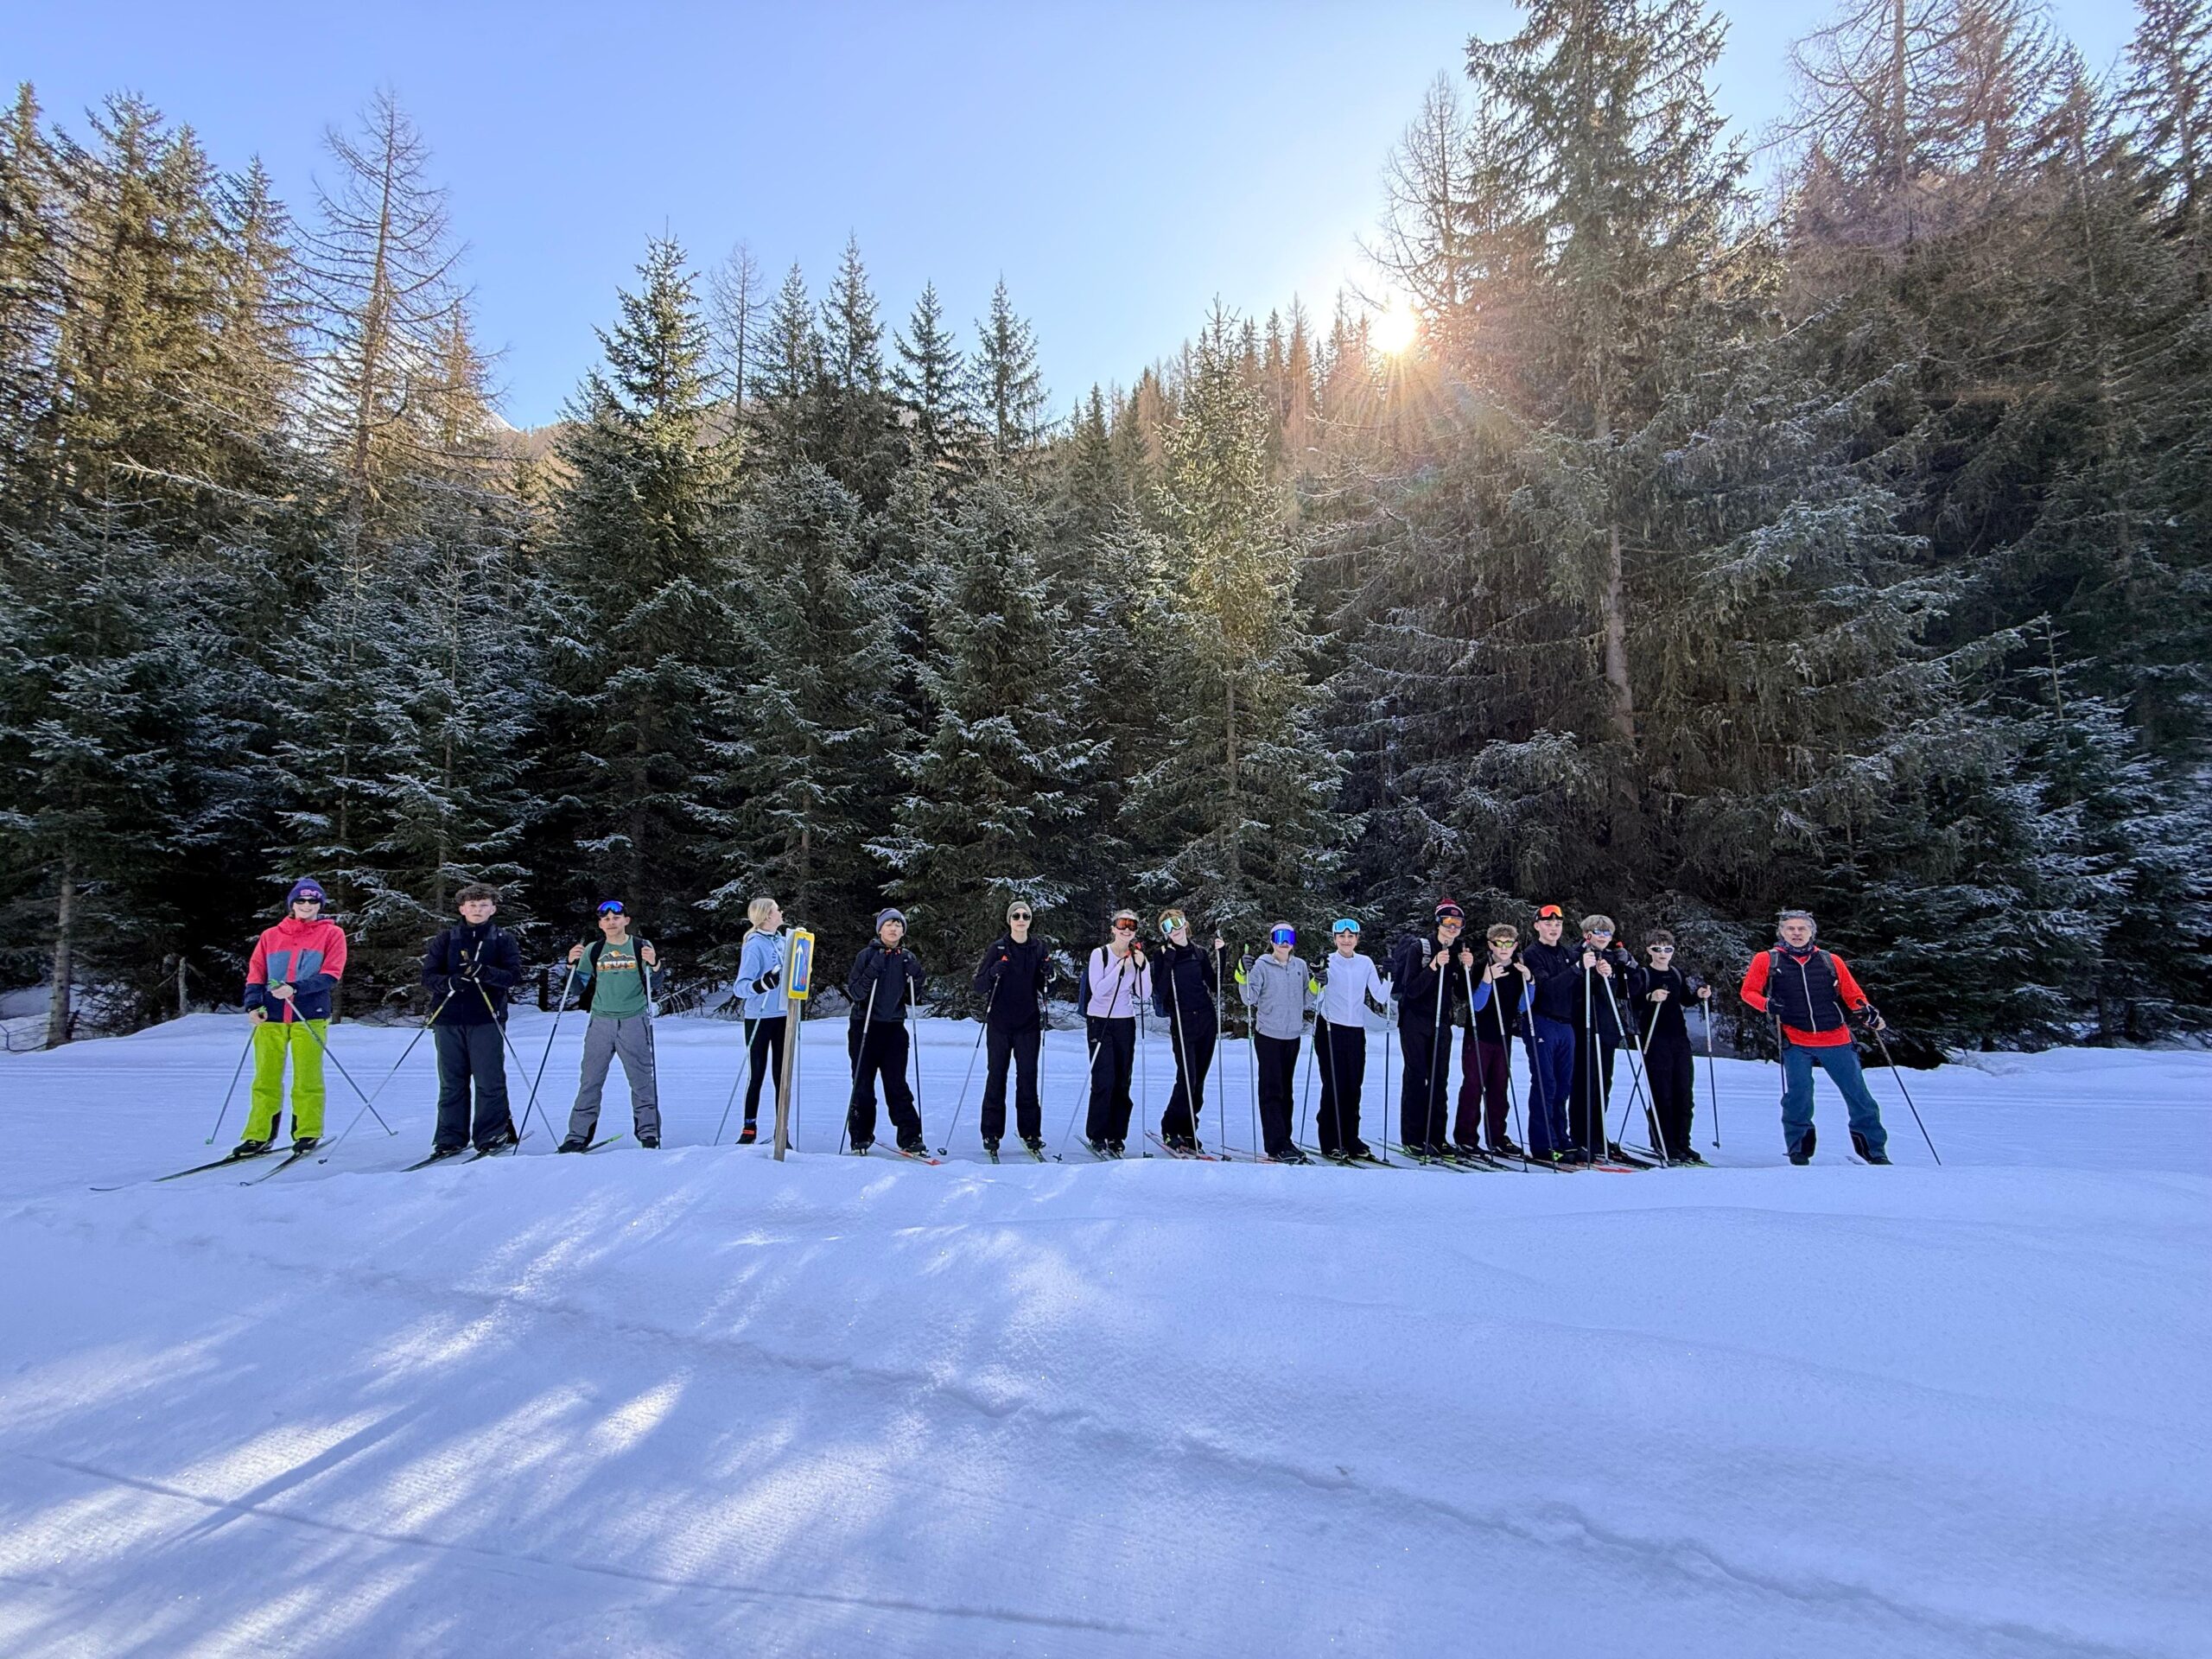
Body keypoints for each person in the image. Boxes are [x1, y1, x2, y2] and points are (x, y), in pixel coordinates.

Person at [1738, 910, 1892, 1165]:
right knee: (1798, 1098)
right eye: (1790, 928)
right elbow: (1748, 992)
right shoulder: (1767, 959)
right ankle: (1799, 1151)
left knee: (1859, 1096)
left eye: (1802, 928)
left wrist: (1866, 1012)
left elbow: (1853, 994)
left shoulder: (1830, 960)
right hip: (1795, 1039)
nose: (1796, 933)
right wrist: (1767, 1005)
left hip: (1836, 1038)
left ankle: (1874, 1151)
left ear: (1812, 932)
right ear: (1781, 932)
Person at [235, 878, 349, 1155]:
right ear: (292, 904)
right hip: (271, 1016)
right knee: (265, 1078)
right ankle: (258, 1135)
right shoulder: (270, 935)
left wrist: (295, 988)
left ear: (320, 905)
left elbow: (331, 974)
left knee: (307, 1077)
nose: (306, 905)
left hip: (309, 1015)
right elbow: (256, 973)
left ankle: (307, 1132)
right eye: (301, 900)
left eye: (313, 901)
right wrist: (253, 1005)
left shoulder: (332, 934)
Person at [420, 882, 522, 1159]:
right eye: (472, 905)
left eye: (483, 905)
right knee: (451, 1081)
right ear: (462, 909)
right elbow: (428, 976)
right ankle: (450, 1138)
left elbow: (513, 976)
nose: (478, 910)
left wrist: (485, 972)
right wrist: (450, 982)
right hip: (448, 1018)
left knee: (489, 1080)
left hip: (486, 1017)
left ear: (493, 909)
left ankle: (492, 1133)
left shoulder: (502, 939)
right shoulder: (446, 938)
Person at [558, 900, 662, 1152]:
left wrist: (655, 964)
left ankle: (649, 1134)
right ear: (600, 924)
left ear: (626, 920)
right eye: (606, 919)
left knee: (641, 1081)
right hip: (601, 1022)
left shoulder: (640, 946)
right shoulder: (594, 949)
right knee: (590, 1081)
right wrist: (570, 965)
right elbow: (577, 987)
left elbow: (656, 984)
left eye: (616, 917)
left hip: (633, 1020)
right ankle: (577, 1136)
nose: (611, 922)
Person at [1385, 900, 1471, 1158]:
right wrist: (1433, 967)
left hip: (1442, 1022)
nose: (1452, 928)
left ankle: (1437, 1138)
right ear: (1438, 923)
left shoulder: (1458, 951)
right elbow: (1411, 991)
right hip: (1415, 1021)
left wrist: (1466, 969)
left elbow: (1462, 994)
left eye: (1457, 923)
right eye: (1447, 922)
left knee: (1439, 1080)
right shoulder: (1420, 948)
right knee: (1416, 1077)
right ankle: (1412, 1137)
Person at [845, 908, 930, 1155]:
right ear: (880, 929)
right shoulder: (866, 955)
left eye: (898, 925)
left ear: (903, 931)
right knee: (863, 1084)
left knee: (897, 1084)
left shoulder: (907, 957)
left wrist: (917, 976)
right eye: (889, 925)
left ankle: (910, 1136)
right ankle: (860, 1135)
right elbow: (857, 992)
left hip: (894, 1028)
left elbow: (913, 998)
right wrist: (874, 967)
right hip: (865, 1026)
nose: (894, 929)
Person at [974, 899, 1051, 1157]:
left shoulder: (1038, 948)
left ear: (1030, 920)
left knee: (1027, 1077)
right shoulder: (997, 948)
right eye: (1016, 916)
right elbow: (979, 985)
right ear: (1009, 920)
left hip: (1028, 1024)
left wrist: (1048, 975)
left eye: (1025, 916)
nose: (1021, 920)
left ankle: (1031, 1132)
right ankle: (991, 1132)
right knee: (996, 1076)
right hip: (1000, 1023)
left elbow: (1045, 988)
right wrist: (993, 972)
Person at [1628, 928, 1712, 1162]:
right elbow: (1633, 1002)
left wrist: (1700, 995)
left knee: (1684, 1092)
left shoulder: (1675, 973)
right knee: (1661, 1092)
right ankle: (1663, 1143)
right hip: (1654, 1038)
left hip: (1679, 1038)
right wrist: (1650, 997)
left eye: (1667, 949)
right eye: (1657, 949)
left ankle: (1683, 1142)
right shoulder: (1643, 974)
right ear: (1649, 950)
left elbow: (1685, 999)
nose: (1662, 953)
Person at [1237, 922, 1316, 1162]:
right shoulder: (1262, 965)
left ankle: (1286, 1140)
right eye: (1279, 936)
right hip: (1269, 1036)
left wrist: (1316, 984)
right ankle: (1274, 1144)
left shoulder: (1300, 966)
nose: (1284, 942)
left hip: (1292, 1036)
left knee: (1287, 1091)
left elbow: (1307, 999)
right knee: (1272, 1090)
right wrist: (1242, 974)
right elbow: (1249, 998)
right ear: (1271, 940)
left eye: (1289, 937)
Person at [1077, 909, 1151, 1157]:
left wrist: (1142, 967)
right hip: (1100, 1020)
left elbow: (1144, 993)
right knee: (1103, 1079)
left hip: (1125, 1021)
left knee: (1122, 1081)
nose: (1126, 930)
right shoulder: (1100, 954)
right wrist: (1121, 966)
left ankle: (1117, 1135)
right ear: (1113, 929)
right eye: (1122, 924)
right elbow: (1099, 990)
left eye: (1132, 926)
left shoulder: (1137, 957)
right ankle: (1097, 1134)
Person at [1312, 918, 1387, 1160]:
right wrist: (1317, 976)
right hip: (1330, 1028)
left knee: (1353, 1086)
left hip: (1355, 1030)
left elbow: (1380, 996)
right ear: (1335, 939)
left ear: (1357, 939)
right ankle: (1330, 1141)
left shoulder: (1365, 962)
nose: (1346, 940)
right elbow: (1314, 995)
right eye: (1341, 936)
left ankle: (1351, 1138)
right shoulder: (1328, 961)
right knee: (1334, 1084)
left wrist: (1390, 975)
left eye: (1350, 936)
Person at [1153, 910, 1227, 1153]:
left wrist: (1222, 955)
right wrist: (1169, 960)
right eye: (1167, 927)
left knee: (1199, 1080)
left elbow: (1214, 984)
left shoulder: (1199, 953)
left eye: (1176, 923)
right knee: (1187, 1078)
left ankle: (1188, 1128)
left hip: (1205, 1019)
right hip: (1182, 1021)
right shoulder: (1162, 954)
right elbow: (1160, 991)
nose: (1174, 929)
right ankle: (1170, 1127)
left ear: (1185, 924)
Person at [1461, 923, 1533, 1160]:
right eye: (1498, 943)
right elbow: (1476, 1006)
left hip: (1502, 1037)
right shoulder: (1482, 966)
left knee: (1499, 1088)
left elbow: (1523, 1006)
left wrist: (1530, 981)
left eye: (1508, 943)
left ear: (1515, 945)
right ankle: (1466, 1137)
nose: (1504, 948)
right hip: (1479, 1036)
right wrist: (1487, 981)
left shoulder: (1518, 969)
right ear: (1490, 945)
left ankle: (1497, 1137)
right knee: (1474, 1086)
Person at [1520, 904, 1583, 1160]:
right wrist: (1577, 970)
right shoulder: (1533, 954)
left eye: (1557, 924)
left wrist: (1595, 971)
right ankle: (1544, 1143)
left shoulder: (1567, 953)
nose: (1553, 928)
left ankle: (1561, 1137)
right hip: (1541, 1021)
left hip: (1566, 1024)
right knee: (1546, 1083)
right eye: (1548, 923)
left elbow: (1578, 988)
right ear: (1537, 926)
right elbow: (1548, 989)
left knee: (1563, 1084)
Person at [1570, 914, 1635, 1159]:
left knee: (1603, 1084)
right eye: (1597, 932)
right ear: (1587, 934)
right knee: (1583, 1083)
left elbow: (1629, 990)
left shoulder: (1613, 957)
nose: (1603, 937)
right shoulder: (1577, 954)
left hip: (1606, 1028)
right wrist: (1592, 972)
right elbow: (1573, 987)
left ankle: (1598, 1135)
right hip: (1583, 1026)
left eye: (1607, 933)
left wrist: (1628, 964)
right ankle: (1580, 1135)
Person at [731, 896, 787, 1145]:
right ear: (766, 916)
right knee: (757, 1073)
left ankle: (782, 1131)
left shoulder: (784, 941)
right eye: (777, 910)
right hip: (760, 1017)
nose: (781, 912)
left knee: (782, 1076)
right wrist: (761, 984)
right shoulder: (754, 945)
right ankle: (749, 1129)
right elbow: (740, 987)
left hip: (784, 1015)